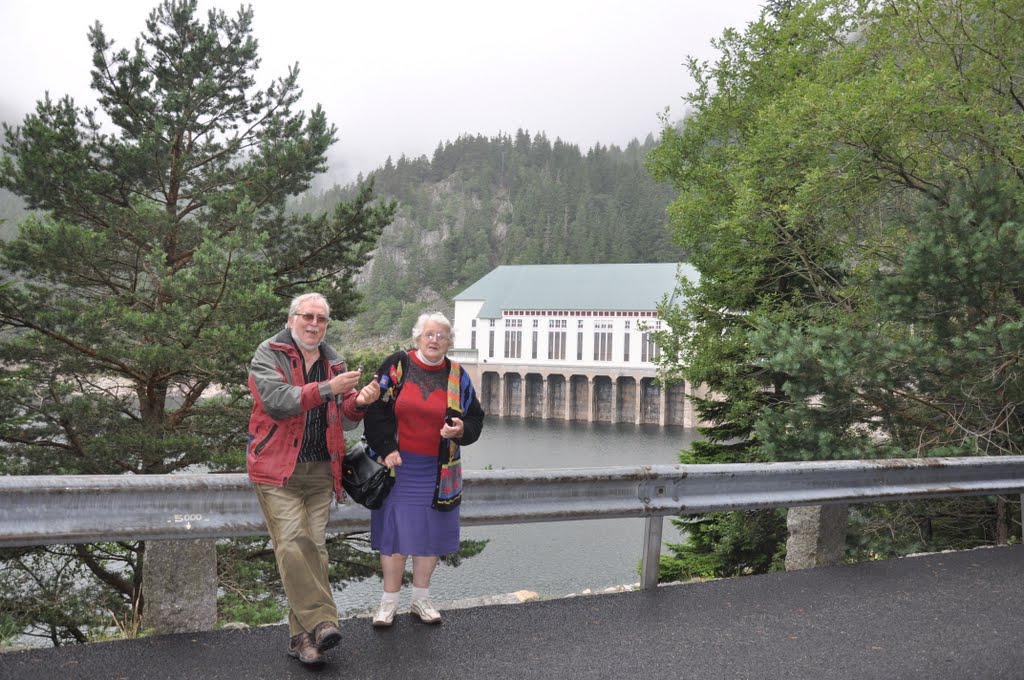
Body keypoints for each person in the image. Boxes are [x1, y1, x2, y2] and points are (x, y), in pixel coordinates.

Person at [247, 292, 381, 666]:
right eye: (308, 316)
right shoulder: (269, 353)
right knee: (291, 543)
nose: (314, 324)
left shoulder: (333, 361)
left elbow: (348, 416)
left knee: (314, 551)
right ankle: (323, 620)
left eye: (321, 319)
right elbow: (276, 400)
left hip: (322, 470)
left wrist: (362, 400)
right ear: (292, 319)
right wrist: (326, 390)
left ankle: (302, 639)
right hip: (277, 469)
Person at [363, 311, 485, 627]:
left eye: (441, 335)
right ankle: (387, 604)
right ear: (417, 337)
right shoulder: (398, 365)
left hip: (440, 469)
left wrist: (460, 430)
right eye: (429, 334)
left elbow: (475, 419)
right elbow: (375, 408)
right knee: (395, 534)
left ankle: (421, 600)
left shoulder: (458, 375)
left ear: (448, 341)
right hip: (398, 466)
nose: (435, 340)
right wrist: (387, 449)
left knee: (431, 533)